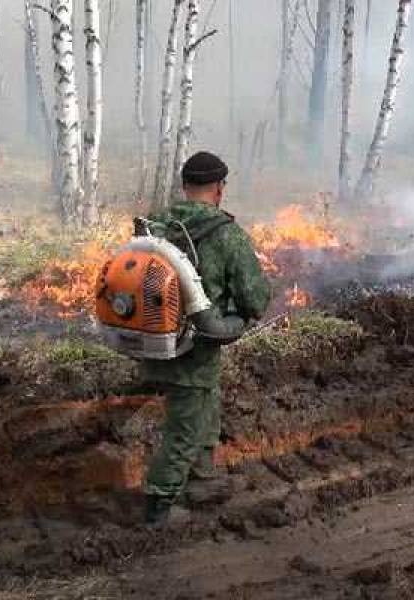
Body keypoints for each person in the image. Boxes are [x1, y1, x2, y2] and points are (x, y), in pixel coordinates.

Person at [142, 151, 271, 527]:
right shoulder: (225, 233)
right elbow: (255, 298)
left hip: (154, 337)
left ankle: (202, 476)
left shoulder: (156, 224)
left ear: (185, 187)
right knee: (184, 427)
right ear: (219, 189)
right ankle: (158, 505)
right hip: (194, 347)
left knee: (206, 402)